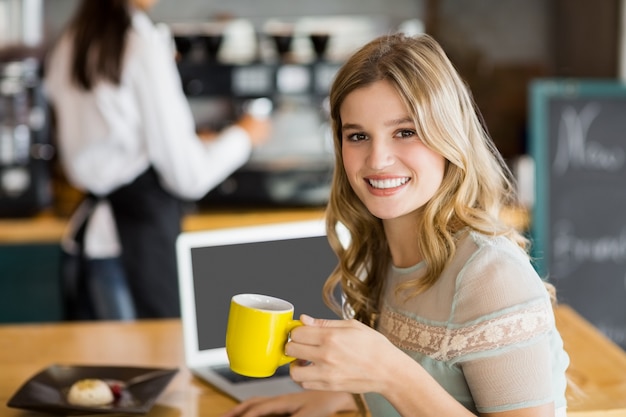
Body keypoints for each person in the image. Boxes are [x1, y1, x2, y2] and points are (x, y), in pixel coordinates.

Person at [222, 33, 569, 417]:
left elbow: (407, 378)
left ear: (449, 137)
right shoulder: (384, 248)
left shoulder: (490, 276)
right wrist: (342, 395)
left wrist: (389, 374)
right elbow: (442, 385)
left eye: (405, 132)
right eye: (358, 136)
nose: (378, 159)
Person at [44, 0, 270, 320]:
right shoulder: (141, 42)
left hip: (90, 242)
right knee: (156, 363)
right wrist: (245, 135)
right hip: (136, 245)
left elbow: (111, 138)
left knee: (106, 366)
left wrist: (191, 141)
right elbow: (189, 176)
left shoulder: (72, 39)